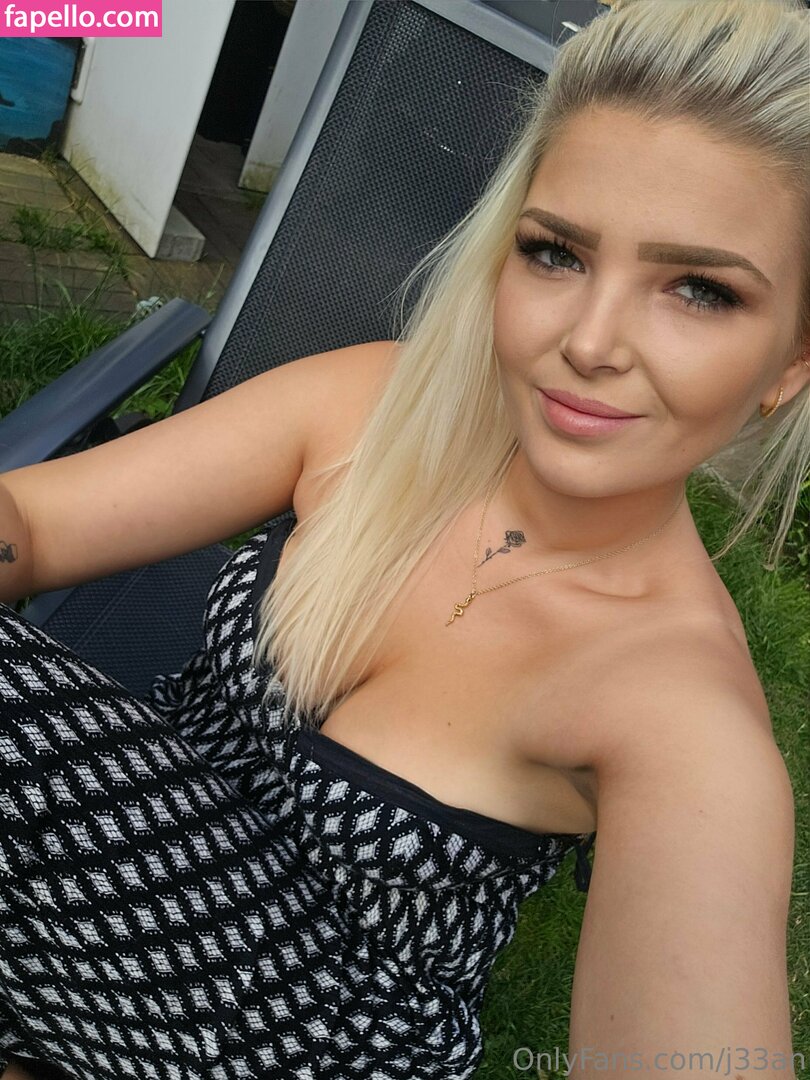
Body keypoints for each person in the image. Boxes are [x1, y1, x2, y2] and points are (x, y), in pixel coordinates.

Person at [0, 0, 807, 1076]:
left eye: (699, 290)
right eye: (556, 253)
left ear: (792, 360)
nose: (590, 341)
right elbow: (35, 522)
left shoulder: (681, 717)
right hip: (77, 928)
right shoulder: (374, 411)